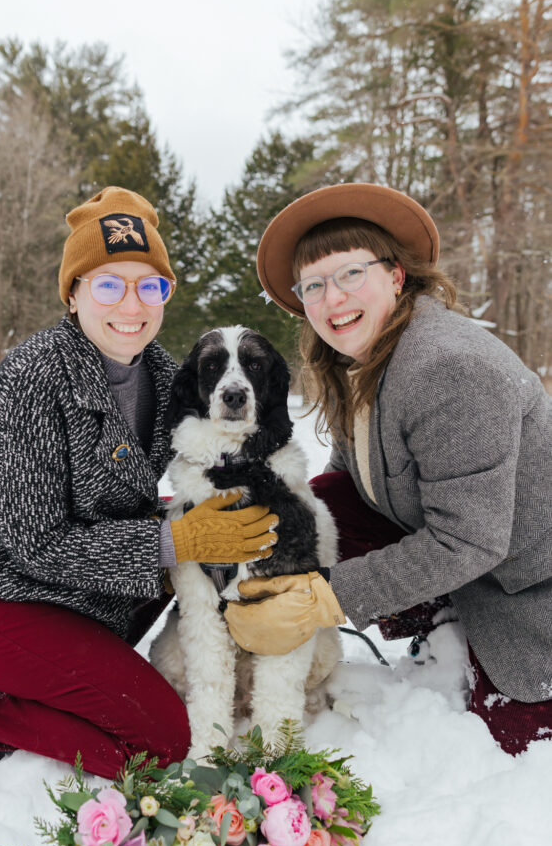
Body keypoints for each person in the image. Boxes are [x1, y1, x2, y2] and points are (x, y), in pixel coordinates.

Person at [0, 186, 277, 775]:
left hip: (65, 582)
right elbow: (38, 543)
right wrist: (179, 538)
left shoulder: (169, 376)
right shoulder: (28, 382)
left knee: (165, 587)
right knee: (160, 740)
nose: (131, 304)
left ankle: (45, 674)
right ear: (73, 294)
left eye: (150, 285)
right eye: (108, 284)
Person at [224, 182, 552, 755]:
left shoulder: (450, 368)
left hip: (525, 581)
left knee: (504, 738)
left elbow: (470, 541)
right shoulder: (360, 360)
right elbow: (345, 487)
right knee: (300, 505)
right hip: (467, 552)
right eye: (315, 286)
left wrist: (321, 597)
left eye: (351, 273)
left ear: (396, 276)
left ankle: (462, 625)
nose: (332, 298)